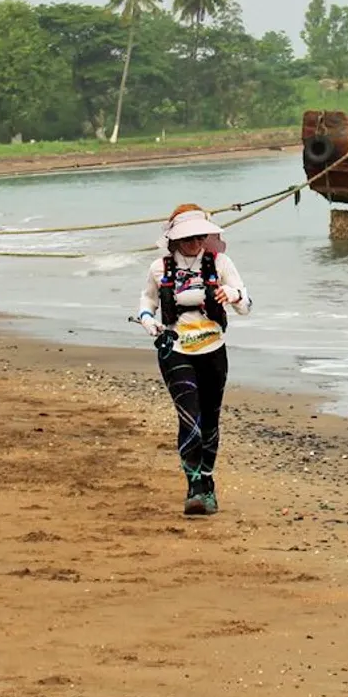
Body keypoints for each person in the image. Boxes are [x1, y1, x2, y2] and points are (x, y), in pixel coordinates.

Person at [134, 204, 252, 515]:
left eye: (200, 237)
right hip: (175, 350)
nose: (194, 243)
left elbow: (246, 303)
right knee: (191, 419)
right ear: (173, 240)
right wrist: (147, 319)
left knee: (211, 421)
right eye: (188, 238)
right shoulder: (158, 268)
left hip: (214, 351)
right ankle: (194, 487)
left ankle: (208, 483)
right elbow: (147, 299)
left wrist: (233, 295)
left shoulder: (221, 263)